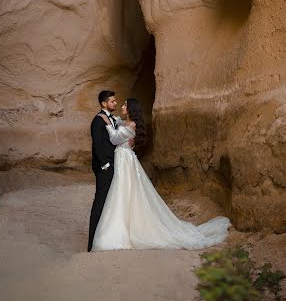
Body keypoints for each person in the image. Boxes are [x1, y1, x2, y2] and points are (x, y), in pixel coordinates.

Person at [91, 98, 230, 251]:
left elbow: (115, 138)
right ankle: (123, 225)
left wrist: (108, 125)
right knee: (122, 191)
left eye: (125, 105)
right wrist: (115, 122)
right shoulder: (126, 123)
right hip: (122, 158)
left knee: (126, 190)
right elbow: (120, 129)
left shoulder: (131, 124)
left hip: (125, 159)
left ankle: (128, 229)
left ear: (131, 109)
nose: (122, 106)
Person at [87, 90, 134, 251]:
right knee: (100, 201)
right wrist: (104, 165)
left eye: (115, 101)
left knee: (110, 201)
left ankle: (104, 235)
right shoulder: (98, 121)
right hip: (104, 167)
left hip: (114, 164)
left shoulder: (112, 119)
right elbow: (97, 145)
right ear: (104, 103)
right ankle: (92, 241)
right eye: (112, 101)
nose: (115, 103)